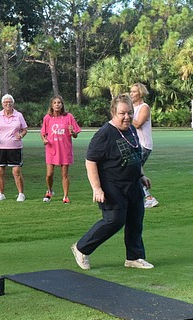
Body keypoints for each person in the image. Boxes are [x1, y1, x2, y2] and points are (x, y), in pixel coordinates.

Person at [71, 94, 154, 271]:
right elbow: (90, 161)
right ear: (113, 112)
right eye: (122, 113)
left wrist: (141, 175)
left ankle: (134, 257)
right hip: (112, 186)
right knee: (114, 221)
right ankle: (81, 248)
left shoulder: (131, 129)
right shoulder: (104, 134)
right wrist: (97, 188)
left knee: (135, 220)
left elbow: (135, 155)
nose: (127, 117)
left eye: (130, 113)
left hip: (133, 184)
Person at [40, 95, 81, 203]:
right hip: (51, 149)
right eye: (55, 103)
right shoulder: (47, 118)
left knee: (64, 174)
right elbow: (43, 133)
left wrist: (73, 132)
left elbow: (75, 134)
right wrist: (44, 139)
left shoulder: (68, 117)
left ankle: (65, 196)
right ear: (51, 105)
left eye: (59, 103)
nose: (57, 104)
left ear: (62, 105)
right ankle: (49, 191)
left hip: (64, 149)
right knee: (49, 174)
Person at [0, 94, 28, 202]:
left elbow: (24, 129)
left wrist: (21, 135)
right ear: (2, 104)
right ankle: (1, 193)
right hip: (0, 147)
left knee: (16, 171)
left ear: (13, 103)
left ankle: (21, 193)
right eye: (5, 102)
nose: (8, 104)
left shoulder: (18, 115)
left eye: (10, 102)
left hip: (15, 147)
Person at [130, 82, 159, 208]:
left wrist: (125, 115)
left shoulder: (144, 107)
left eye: (134, 91)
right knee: (133, 171)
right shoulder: (131, 108)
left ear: (140, 93)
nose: (131, 94)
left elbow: (137, 124)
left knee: (134, 170)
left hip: (144, 144)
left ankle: (148, 197)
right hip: (135, 144)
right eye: (131, 91)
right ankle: (141, 197)